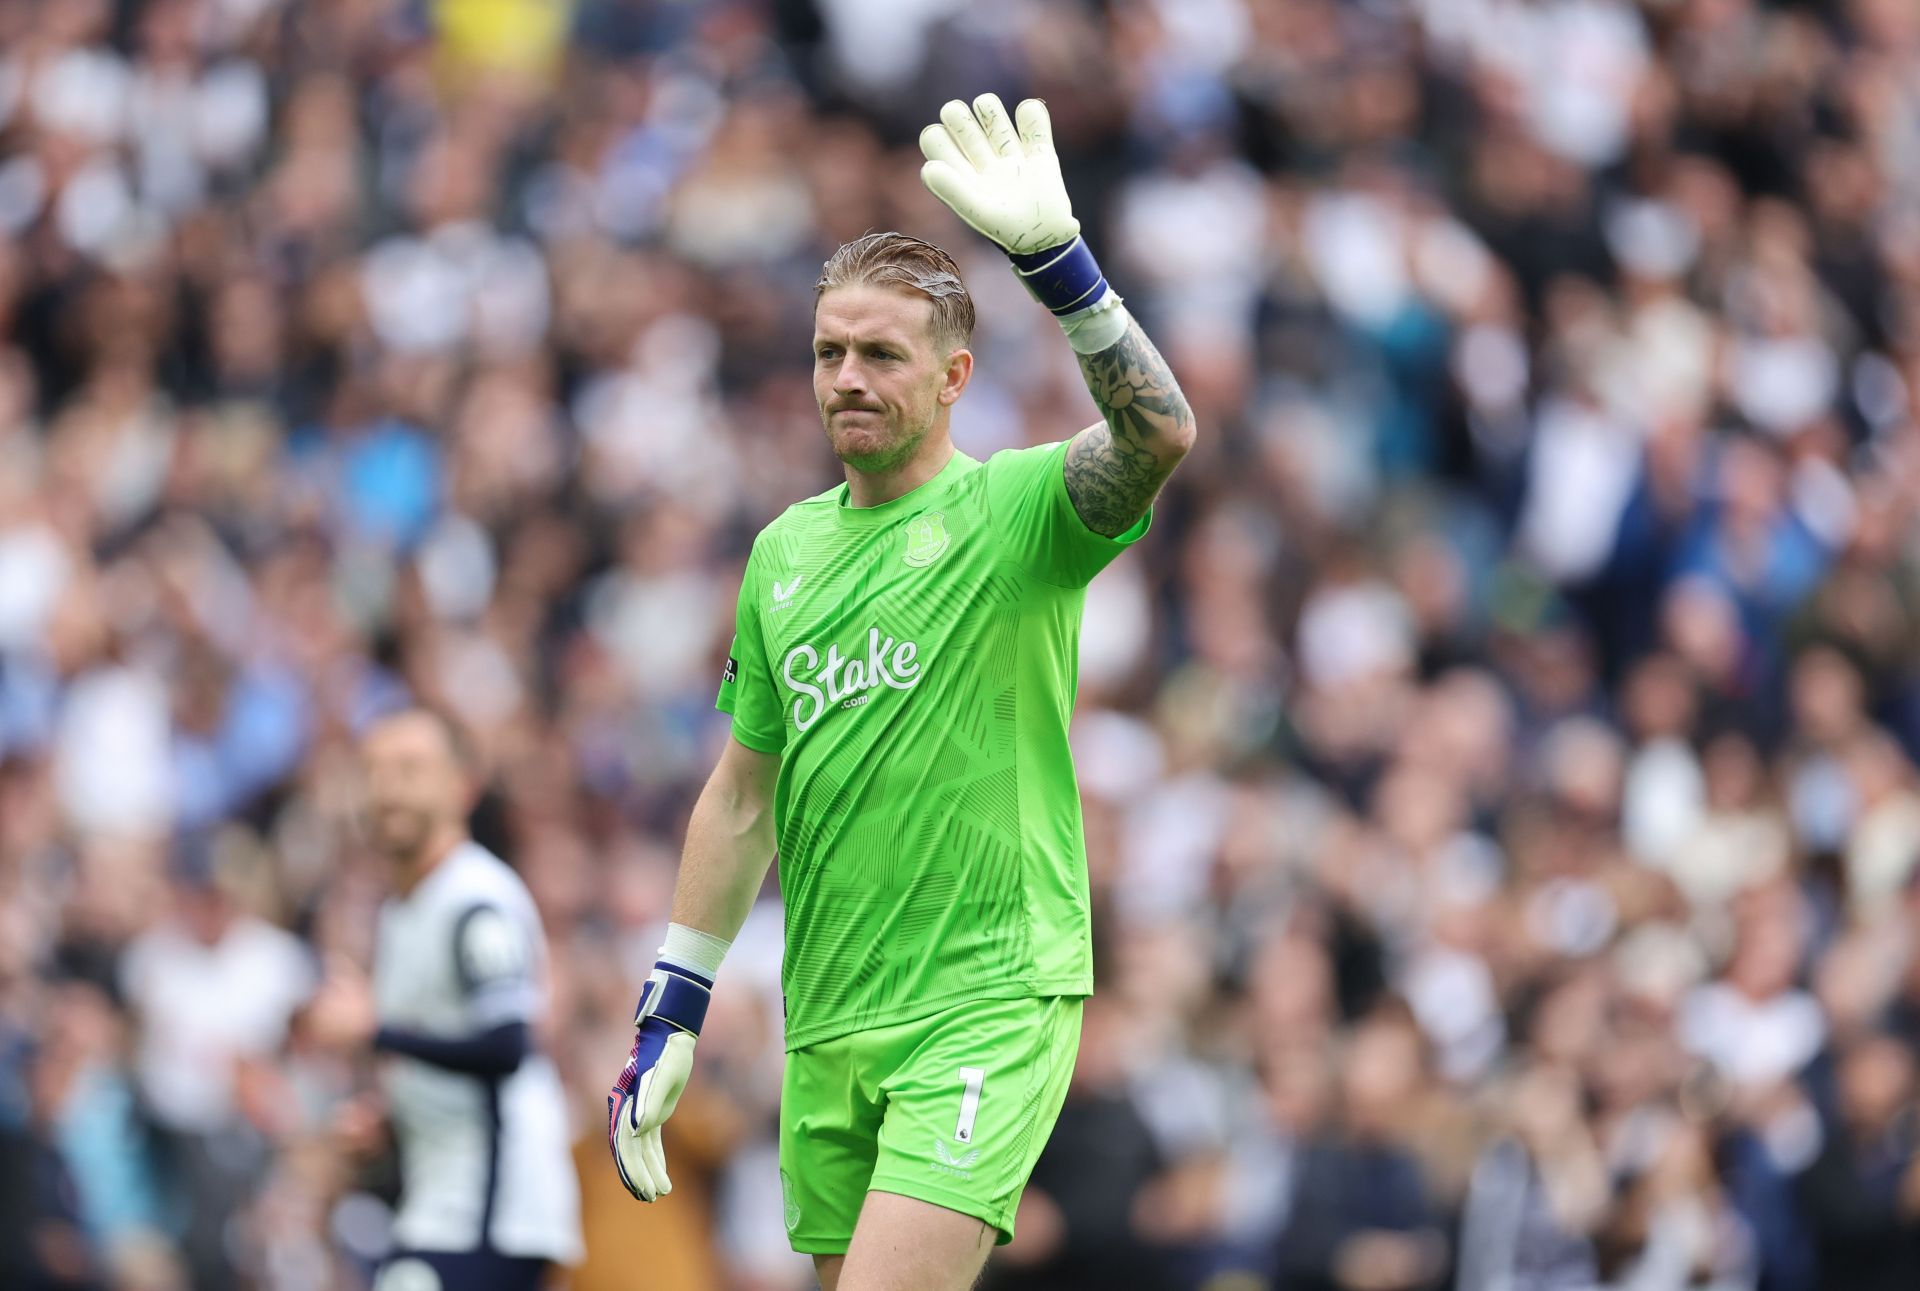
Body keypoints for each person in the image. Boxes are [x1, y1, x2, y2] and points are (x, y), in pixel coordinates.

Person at [605, 92, 1195, 1291]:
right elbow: (737, 797)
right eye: (830, 351)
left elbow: (1160, 434)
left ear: (955, 376)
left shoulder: (1015, 512)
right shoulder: (783, 554)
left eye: (882, 354)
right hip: (829, 1018)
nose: (849, 378)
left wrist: (1061, 268)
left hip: (984, 997)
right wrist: (673, 1004)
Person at [307, 709, 583, 1290]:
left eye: (409, 769)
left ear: (463, 784)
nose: (387, 790)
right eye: (374, 772)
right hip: (440, 1199)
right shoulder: (403, 910)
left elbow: (508, 1044)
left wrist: (374, 1031)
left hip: (493, 1205)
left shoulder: (476, 901)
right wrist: (390, 1118)